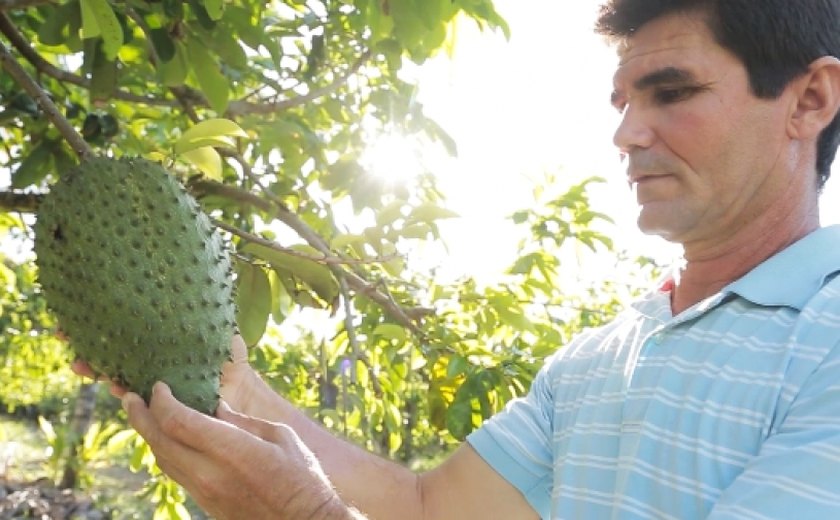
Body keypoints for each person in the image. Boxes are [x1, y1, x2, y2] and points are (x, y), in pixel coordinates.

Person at [74, 0, 840, 518]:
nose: (628, 135)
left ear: (809, 100)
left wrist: (301, 513)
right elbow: (427, 505)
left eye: (672, 92)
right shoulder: (601, 357)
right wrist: (236, 386)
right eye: (624, 103)